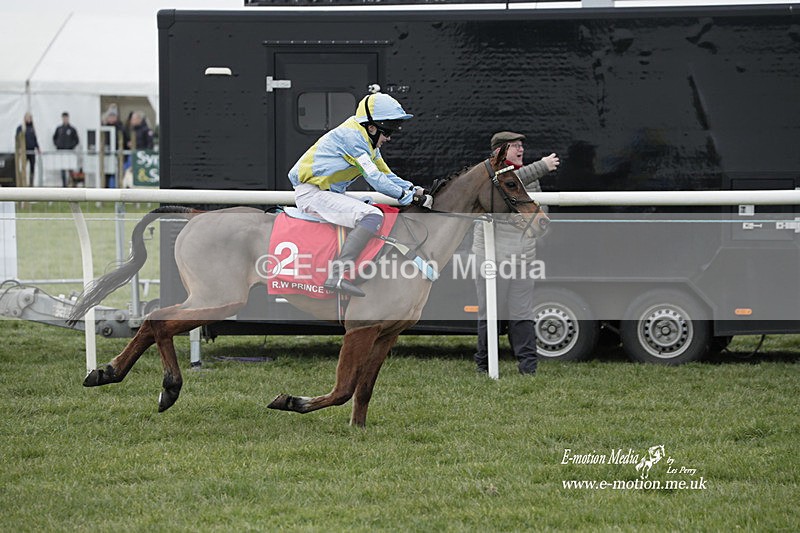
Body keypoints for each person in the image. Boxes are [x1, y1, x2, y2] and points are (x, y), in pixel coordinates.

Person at [288, 91, 433, 297]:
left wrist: (413, 189)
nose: (389, 138)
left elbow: (386, 174)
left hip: (325, 193)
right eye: (387, 132)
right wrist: (408, 197)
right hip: (312, 194)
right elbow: (375, 179)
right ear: (372, 127)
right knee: (372, 215)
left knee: (371, 206)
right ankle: (337, 275)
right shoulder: (353, 138)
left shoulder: (366, 140)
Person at [472, 131, 559, 375]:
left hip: (522, 259)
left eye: (521, 145)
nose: (521, 150)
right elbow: (510, 183)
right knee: (490, 313)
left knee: (522, 314)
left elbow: (539, 210)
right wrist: (542, 166)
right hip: (492, 260)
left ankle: (528, 369)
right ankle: (484, 366)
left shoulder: (527, 177)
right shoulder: (490, 173)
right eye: (514, 146)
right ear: (500, 152)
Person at [53, 111, 80, 187]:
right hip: (61, 152)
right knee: (62, 170)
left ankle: (72, 184)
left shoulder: (72, 129)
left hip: (70, 152)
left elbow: (77, 140)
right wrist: (57, 145)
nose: (65, 119)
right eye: (64, 118)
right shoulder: (59, 129)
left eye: (66, 118)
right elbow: (54, 138)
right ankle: (64, 185)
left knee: (70, 170)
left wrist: (71, 146)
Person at [15, 112, 40, 186]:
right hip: (24, 152)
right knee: (23, 168)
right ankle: (22, 182)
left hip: (31, 152)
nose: (29, 119)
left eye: (30, 117)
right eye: (27, 117)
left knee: (32, 168)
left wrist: (38, 148)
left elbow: (35, 140)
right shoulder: (21, 128)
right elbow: (17, 139)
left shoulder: (32, 128)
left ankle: (31, 183)